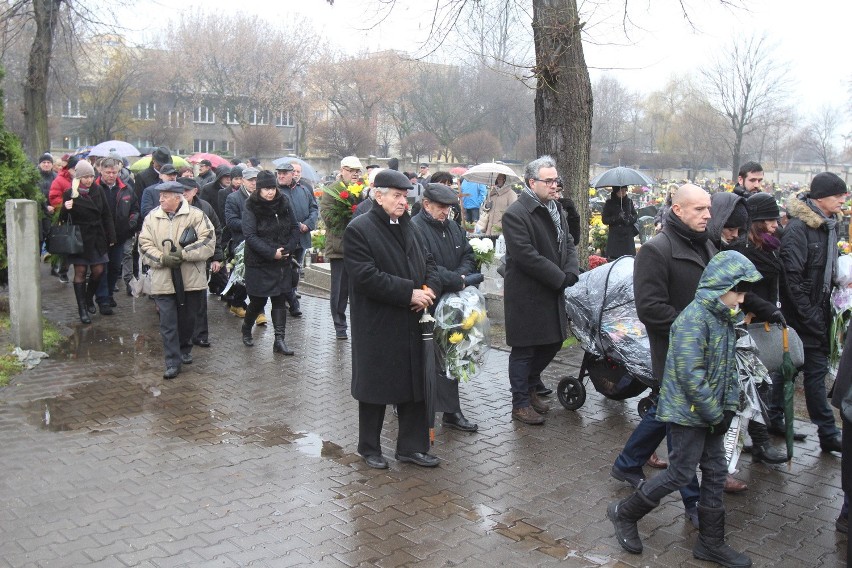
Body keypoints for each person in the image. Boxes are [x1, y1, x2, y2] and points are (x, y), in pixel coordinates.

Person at [608, 250, 760, 568]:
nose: (742, 299)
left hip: (711, 414)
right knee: (680, 473)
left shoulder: (723, 320)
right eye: (739, 291)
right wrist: (714, 413)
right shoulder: (694, 320)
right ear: (721, 286)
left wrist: (728, 407)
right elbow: (692, 377)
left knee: (716, 473)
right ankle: (624, 513)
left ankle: (710, 542)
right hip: (688, 413)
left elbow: (729, 369)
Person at [344, 169, 441, 469]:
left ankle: (410, 448)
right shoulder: (360, 228)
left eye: (405, 196)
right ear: (378, 195)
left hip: (412, 321)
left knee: (414, 386)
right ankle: (369, 447)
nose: (402, 202)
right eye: (397, 196)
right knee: (376, 387)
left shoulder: (409, 225)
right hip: (378, 323)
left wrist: (429, 288)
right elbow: (365, 277)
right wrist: (408, 293)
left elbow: (429, 262)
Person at [706, 192, 787, 465]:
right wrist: (769, 309)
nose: (775, 224)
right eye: (769, 219)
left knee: (757, 385)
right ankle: (745, 451)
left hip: (755, 323)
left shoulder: (766, 247)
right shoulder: (734, 251)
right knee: (750, 388)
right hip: (740, 325)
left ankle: (758, 444)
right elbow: (740, 292)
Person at [771, 172, 846, 453]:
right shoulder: (798, 229)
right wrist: (811, 317)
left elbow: (826, 272)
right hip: (800, 316)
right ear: (820, 197)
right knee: (812, 373)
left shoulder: (828, 226)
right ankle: (827, 433)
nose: (843, 199)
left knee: (788, 372)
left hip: (818, 312)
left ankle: (772, 418)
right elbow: (792, 279)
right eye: (838, 195)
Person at [502, 155, 579, 425]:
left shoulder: (555, 208)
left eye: (555, 180)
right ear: (532, 182)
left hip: (551, 288)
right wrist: (559, 277)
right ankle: (520, 402)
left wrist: (571, 271)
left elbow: (568, 242)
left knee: (553, 341)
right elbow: (525, 255)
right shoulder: (516, 214)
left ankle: (531, 386)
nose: (554, 185)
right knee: (524, 349)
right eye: (548, 180)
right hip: (527, 293)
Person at [411, 182, 482, 433]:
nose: (446, 213)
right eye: (441, 207)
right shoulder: (415, 228)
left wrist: (461, 278)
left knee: (453, 357)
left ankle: (451, 411)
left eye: (449, 208)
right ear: (427, 204)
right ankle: (412, 403)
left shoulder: (452, 227)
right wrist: (458, 280)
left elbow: (468, 255)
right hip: (429, 303)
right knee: (428, 359)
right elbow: (424, 266)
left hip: (455, 301)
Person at [138, 181, 215, 380]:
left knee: (188, 319)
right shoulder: (151, 217)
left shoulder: (197, 215)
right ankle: (172, 361)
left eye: (165, 195)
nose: (161, 199)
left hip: (191, 279)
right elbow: (144, 245)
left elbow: (208, 242)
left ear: (178, 197)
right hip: (163, 279)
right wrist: (162, 258)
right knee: (167, 322)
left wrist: (184, 253)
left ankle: (184, 347)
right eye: (160, 195)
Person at [239, 171, 301, 355]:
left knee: (280, 298)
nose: (270, 192)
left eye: (272, 188)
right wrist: (271, 253)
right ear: (259, 189)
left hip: (281, 260)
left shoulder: (284, 202)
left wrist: (288, 248)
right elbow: (250, 235)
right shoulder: (251, 206)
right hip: (259, 262)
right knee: (258, 301)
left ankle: (279, 340)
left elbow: (294, 227)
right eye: (266, 188)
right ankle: (246, 327)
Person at [58, 160, 116, 324]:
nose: (89, 180)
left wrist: (111, 236)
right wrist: (65, 208)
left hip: (97, 236)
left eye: (91, 176)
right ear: (78, 178)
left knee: (98, 270)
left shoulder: (98, 190)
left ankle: (89, 297)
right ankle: (82, 309)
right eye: (85, 177)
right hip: (79, 238)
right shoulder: (70, 192)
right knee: (80, 272)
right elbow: (62, 220)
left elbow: (106, 214)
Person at [321, 155, 363, 340]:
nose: (354, 175)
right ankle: (340, 326)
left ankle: (358, 324)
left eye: (357, 171)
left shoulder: (360, 191)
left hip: (358, 249)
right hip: (339, 249)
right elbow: (329, 219)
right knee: (339, 290)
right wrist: (350, 214)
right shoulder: (332, 191)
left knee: (359, 289)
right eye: (351, 171)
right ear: (342, 170)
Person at [178, 177, 224, 348]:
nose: (183, 195)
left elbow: (216, 231)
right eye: (180, 192)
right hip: (178, 260)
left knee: (199, 298)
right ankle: (183, 335)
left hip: (200, 260)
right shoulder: (172, 209)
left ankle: (200, 335)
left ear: (195, 191)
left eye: (187, 192)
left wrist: (216, 257)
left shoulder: (205, 207)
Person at [93, 157, 139, 315]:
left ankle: (110, 293)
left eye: (114, 172)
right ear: (101, 171)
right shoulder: (95, 187)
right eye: (108, 172)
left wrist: (130, 225)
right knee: (102, 268)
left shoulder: (125, 188)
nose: (111, 175)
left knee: (114, 267)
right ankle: (103, 299)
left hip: (120, 235)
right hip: (99, 236)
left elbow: (134, 209)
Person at [278, 160, 319, 317]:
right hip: (285, 239)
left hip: (302, 237)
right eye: (279, 174)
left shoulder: (304, 189)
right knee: (285, 272)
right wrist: (296, 224)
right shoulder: (276, 192)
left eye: (285, 173)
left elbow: (314, 208)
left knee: (296, 271)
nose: (281, 176)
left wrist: (308, 224)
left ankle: (291, 296)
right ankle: (292, 302)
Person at [223, 167, 261, 322]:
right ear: (243, 180)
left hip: (259, 242)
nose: (254, 183)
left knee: (258, 277)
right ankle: (237, 303)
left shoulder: (262, 197)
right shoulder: (234, 198)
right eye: (250, 180)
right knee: (242, 276)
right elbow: (231, 221)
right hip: (241, 243)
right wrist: (250, 225)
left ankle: (259, 310)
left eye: (256, 180)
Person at [601, 186, 638, 259]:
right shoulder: (609, 203)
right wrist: (616, 218)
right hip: (615, 238)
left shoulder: (629, 201)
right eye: (621, 191)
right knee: (614, 260)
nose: (623, 193)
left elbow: (635, 215)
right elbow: (604, 219)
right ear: (616, 191)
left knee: (628, 260)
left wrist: (628, 219)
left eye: (625, 190)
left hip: (627, 238)